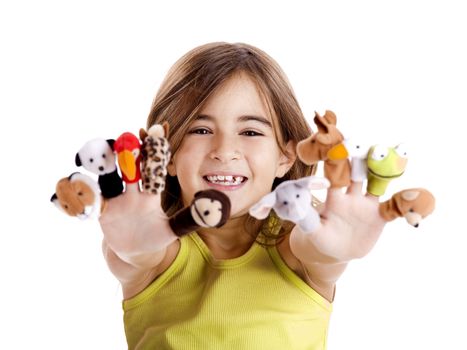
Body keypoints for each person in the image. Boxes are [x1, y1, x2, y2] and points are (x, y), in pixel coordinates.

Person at [99, 42, 386, 349]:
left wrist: (334, 248)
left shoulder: (296, 251)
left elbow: (320, 252)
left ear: (286, 155)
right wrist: (129, 249)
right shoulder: (155, 256)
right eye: (201, 130)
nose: (224, 151)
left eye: (250, 132)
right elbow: (136, 254)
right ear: (167, 153)